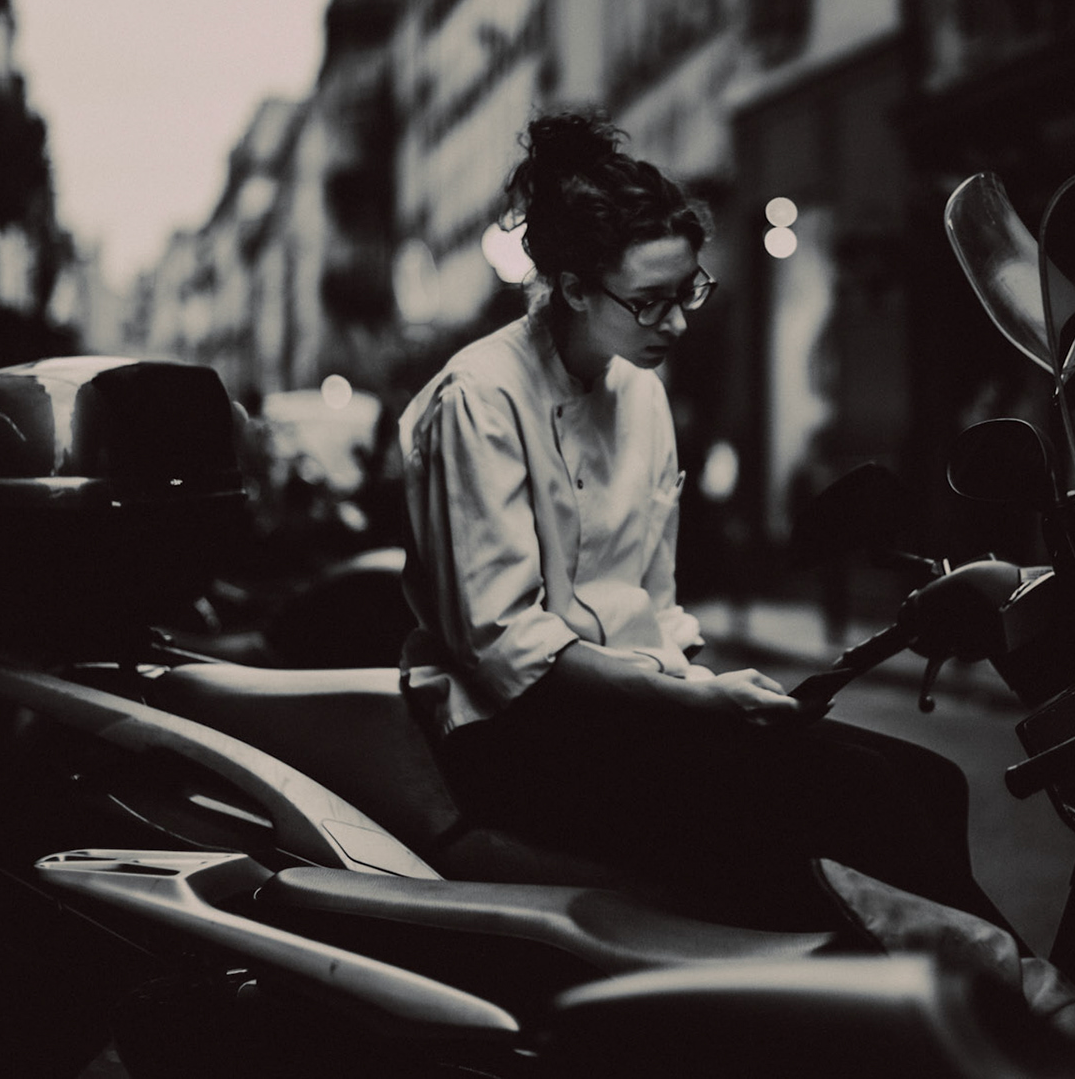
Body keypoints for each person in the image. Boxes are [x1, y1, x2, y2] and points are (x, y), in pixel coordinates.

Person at [398, 111, 1010, 934]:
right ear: (573, 287)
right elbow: (505, 643)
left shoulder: (641, 391)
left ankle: (974, 1010)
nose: (677, 323)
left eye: (688, 290)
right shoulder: (481, 396)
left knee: (933, 783)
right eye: (649, 303)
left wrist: (701, 689)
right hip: (518, 739)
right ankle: (1031, 1011)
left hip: (639, 712)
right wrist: (697, 706)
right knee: (856, 800)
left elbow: (654, 600)